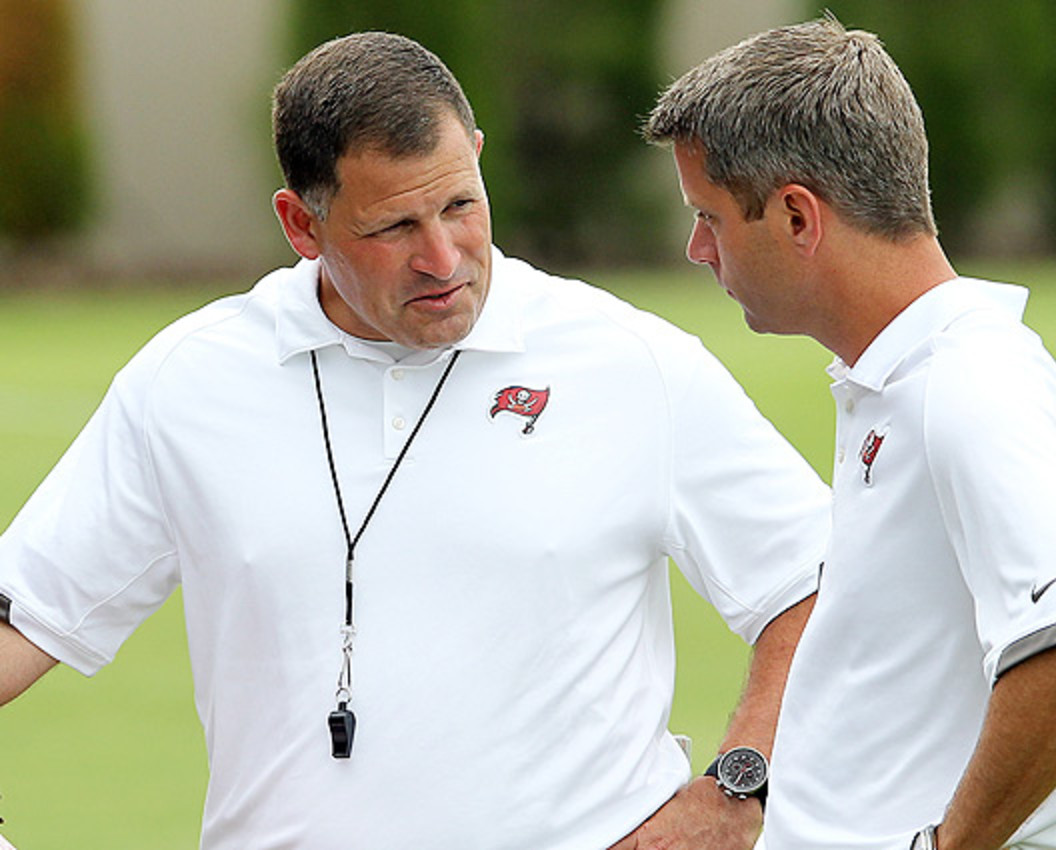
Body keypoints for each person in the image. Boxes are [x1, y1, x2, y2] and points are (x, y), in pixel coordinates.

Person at [0, 32, 831, 849]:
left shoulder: (634, 362)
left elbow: (820, 583)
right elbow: (27, 614)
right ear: (302, 225)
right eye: (393, 227)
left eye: (460, 204)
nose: (443, 258)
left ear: (475, 154)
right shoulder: (185, 382)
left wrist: (738, 788)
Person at [643, 16, 1056, 850]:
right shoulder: (905, 382)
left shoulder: (966, 384)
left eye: (711, 217)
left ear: (799, 218)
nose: (698, 249)